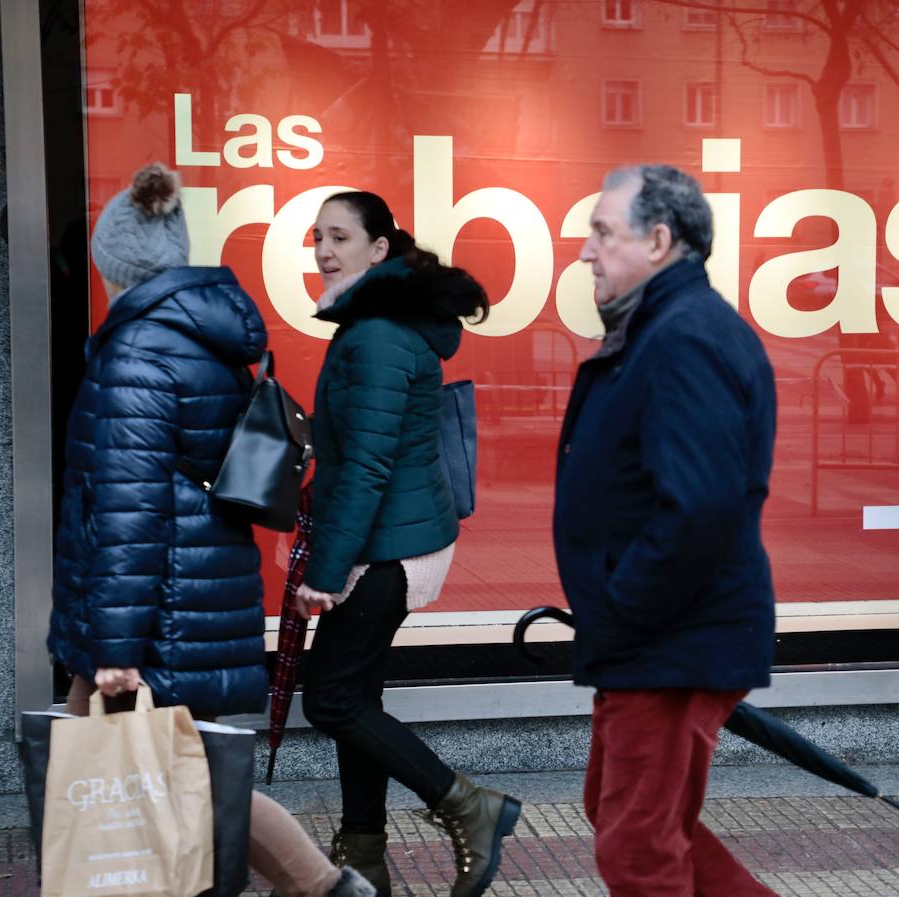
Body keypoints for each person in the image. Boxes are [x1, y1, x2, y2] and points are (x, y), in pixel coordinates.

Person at [47, 163, 372, 897]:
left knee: (134, 782)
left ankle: (325, 888)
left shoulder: (137, 352)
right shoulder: (199, 337)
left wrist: (117, 649)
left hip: (154, 614)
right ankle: (324, 888)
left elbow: (131, 512)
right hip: (185, 594)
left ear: (111, 264)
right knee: (144, 777)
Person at [553, 165, 781, 897]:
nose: (586, 251)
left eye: (602, 233)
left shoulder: (683, 338)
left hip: (671, 638)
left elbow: (700, 507)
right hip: (659, 636)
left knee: (639, 848)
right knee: (623, 817)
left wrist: (623, 608)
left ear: (658, 240)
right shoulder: (666, 329)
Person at [293, 191, 521, 897]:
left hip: (384, 550)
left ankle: (466, 803)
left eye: (341, 236)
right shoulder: (375, 324)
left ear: (380, 249)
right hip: (388, 537)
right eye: (318, 237)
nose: (325, 250)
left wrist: (326, 572)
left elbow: (366, 465)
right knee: (356, 697)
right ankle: (363, 855)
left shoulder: (379, 335)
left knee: (331, 700)